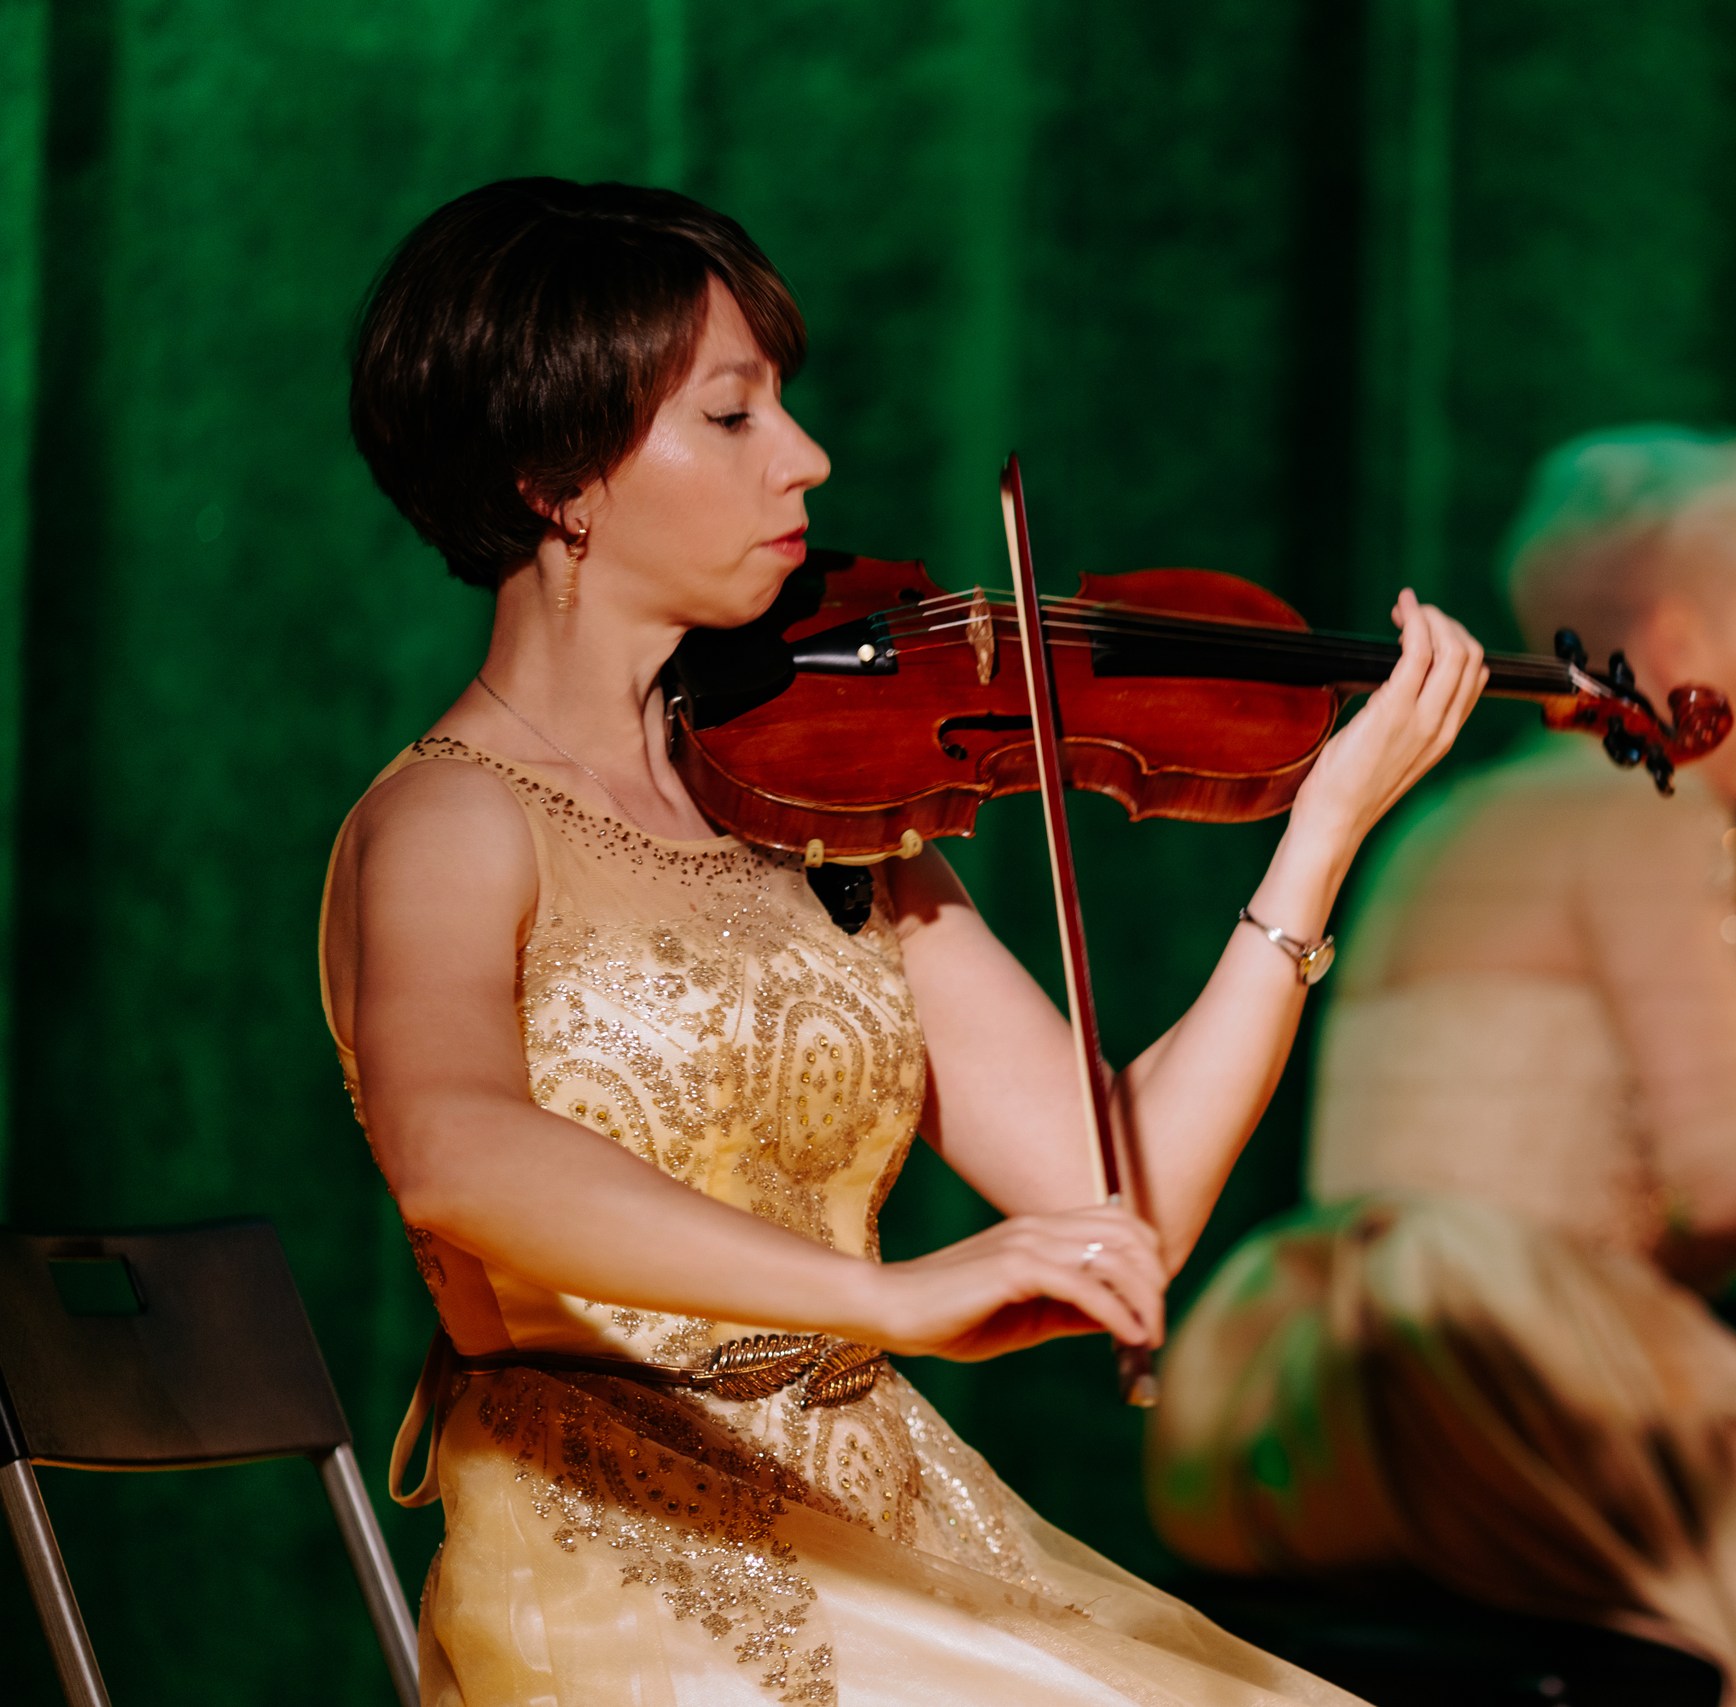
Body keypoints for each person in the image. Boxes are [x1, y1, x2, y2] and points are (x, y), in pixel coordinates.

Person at [321, 177, 1488, 1706]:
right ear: (558, 481)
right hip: (622, 1562)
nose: (806, 455)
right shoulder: (449, 820)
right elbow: (456, 1149)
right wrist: (891, 1295)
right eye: (732, 415)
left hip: (891, 1520)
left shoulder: (828, 807)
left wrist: (1317, 841)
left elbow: (1118, 1193)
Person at [1145, 427, 1736, 1707]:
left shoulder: (1437, 821)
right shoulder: (1645, 806)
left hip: (1319, 1394)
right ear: (1679, 633)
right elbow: (1733, 1176)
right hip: (1503, 1392)